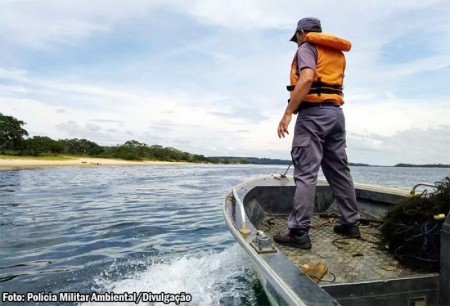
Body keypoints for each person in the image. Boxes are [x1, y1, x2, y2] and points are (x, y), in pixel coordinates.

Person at [274, 17, 361, 249]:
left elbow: (307, 78)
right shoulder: (336, 54)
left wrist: (288, 113)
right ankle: (350, 224)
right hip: (336, 115)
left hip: (313, 116)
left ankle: (299, 232)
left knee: (306, 173)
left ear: (302, 32)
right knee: (339, 171)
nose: (297, 43)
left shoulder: (307, 48)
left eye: (297, 38)